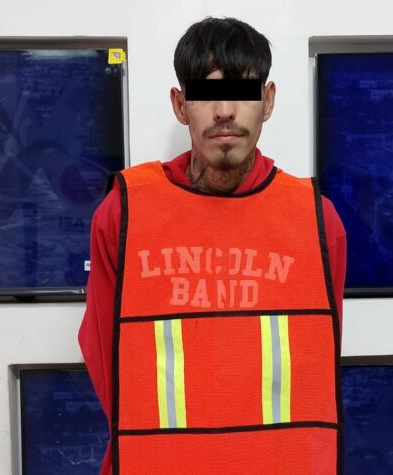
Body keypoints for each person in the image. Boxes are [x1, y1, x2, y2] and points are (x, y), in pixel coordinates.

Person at [79, 17, 346, 474]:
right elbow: (105, 356)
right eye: (205, 94)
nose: (225, 110)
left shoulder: (318, 220)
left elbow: (318, 365)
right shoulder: (122, 213)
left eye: (243, 92)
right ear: (180, 105)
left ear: (267, 101)